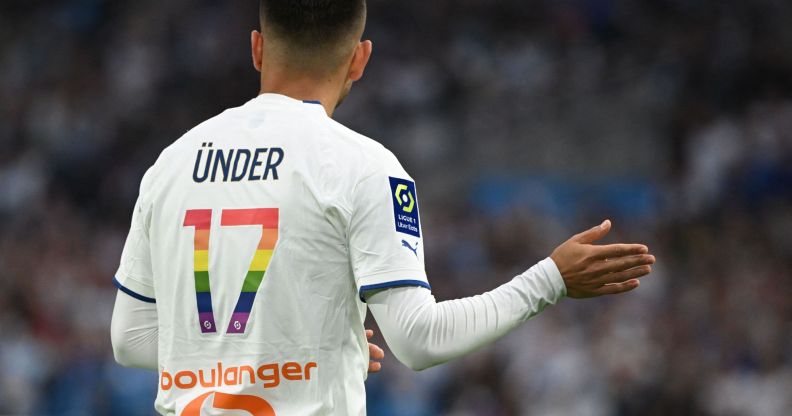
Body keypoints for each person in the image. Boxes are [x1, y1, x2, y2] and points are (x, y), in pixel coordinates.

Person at [110, 1, 656, 414]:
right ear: (360, 59)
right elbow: (419, 341)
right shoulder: (364, 166)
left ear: (256, 48)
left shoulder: (170, 165)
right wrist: (550, 279)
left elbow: (130, 339)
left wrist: (320, 341)